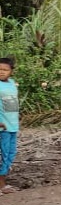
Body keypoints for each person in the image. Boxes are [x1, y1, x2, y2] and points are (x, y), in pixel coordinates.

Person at [0, 58, 20, 194]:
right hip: (2, 127)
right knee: (3, 154)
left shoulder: (12, 84)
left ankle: (3, 184)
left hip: (13, 125)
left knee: (11, 154)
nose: (1, 72)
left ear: (11, 71)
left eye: (5, 70)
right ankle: (1, 185)